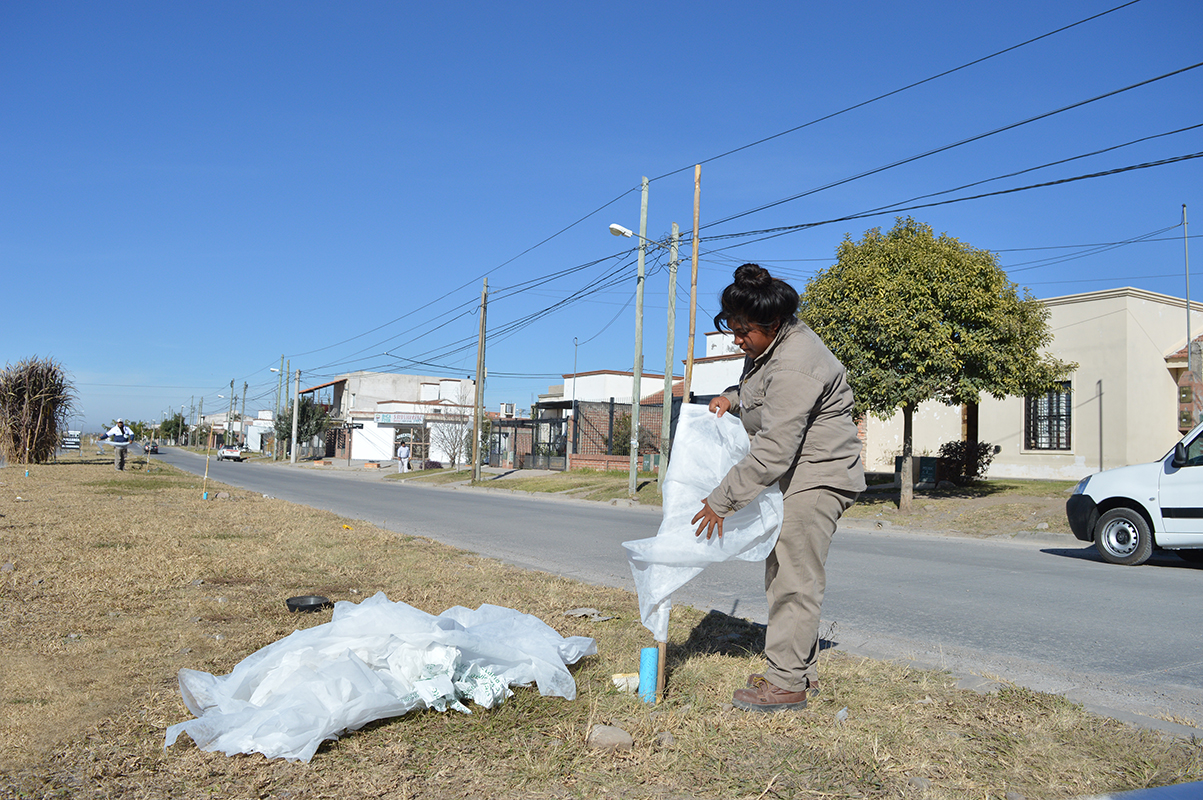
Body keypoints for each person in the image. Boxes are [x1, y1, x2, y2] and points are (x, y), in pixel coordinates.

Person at [691, 264, 866, 713]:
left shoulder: (797, 362)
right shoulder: (773, 347)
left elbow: (774, 449)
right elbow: (758, 392)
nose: (736, 340)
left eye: (743, 332)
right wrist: (732, 396)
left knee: (794, 576)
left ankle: (786, 685)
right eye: (731, 329)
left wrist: (720, 501)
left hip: (818, 475)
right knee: (783, 569)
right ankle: (792, 667)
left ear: (772, 325)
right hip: (799, 471)